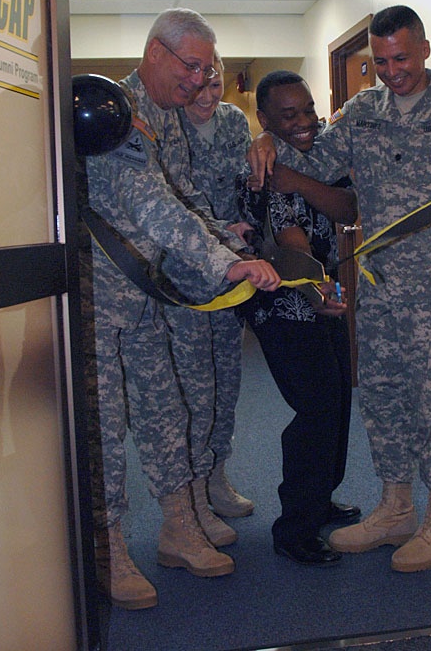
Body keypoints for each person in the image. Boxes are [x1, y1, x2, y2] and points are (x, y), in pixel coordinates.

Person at [247, 7, 431, 573]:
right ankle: (396, 508)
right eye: (380, 61)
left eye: (401, 58)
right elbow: (314, 160)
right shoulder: (362, 113)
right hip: (379, 296)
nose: (392, 71)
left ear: (425, 49)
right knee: (384, 402)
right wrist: (265, 139)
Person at [81, 9, 280, 610]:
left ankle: (177, 528)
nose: (199, 82)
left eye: (206, 70)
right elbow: (152, 207)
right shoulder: (118, 116)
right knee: (106, 432)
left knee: (167, 414)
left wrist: (225, 243)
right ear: (156, 53)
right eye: (192, 68)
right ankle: (108, 546)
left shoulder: (167, 118)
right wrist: (226, 263)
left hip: (148, 302)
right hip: (101, 304)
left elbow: (183, 196)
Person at [236, 70, 361, 566]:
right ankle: (295, 528)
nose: (305, 122)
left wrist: (300, 180)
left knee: (337, 400)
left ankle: (321, 499)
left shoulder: (321, 155)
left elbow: (346, 205)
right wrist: (319, 291)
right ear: (264, 120)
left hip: (323, 294)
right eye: (288, 116)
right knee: (317, 407)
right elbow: (292, 244)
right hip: (284, 302)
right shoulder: (260, 167)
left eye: (308, 109)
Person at [179, 56, 255, 519]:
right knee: (189, 388)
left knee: (226, 381)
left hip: (231, 279)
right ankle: (189, 491)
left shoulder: (233, 122)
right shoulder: (163, 125)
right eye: (198, 89)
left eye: (217, 86)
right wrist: (223, 231)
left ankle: (216, 476)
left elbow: (246, 186)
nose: (208, 98)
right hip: (184, 279)